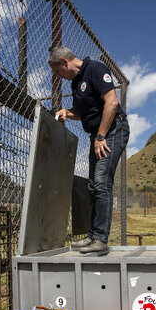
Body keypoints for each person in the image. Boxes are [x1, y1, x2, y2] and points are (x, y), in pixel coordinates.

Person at [49, 46, 130, 256]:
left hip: (113, 130)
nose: (58, 76)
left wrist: (101, 136)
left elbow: (112, 103)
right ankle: (93, 236)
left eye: (57, 71)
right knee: (93, 186)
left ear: (64, 61)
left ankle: (101, 240)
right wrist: (67, 113)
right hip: (97, 134)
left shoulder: (95, 68)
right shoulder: (76, 83)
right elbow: (81, 112)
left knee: (102, 183)